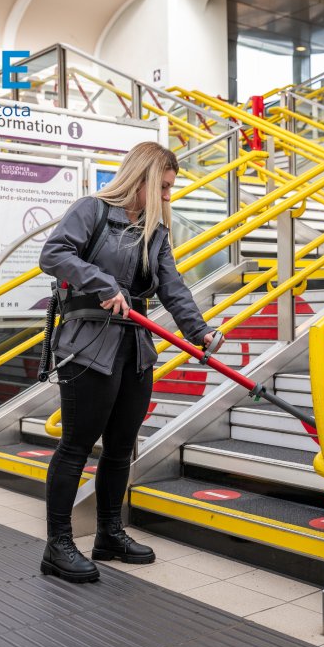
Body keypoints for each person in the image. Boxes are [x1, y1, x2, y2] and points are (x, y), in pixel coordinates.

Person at [38, 141, 220, 583]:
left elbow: (172, 287)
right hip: (88, 346)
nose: (168, 196)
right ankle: (57, 545)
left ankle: (109, 534)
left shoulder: (156, 232)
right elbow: (54, 254)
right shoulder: (93, 210)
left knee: (121, 447)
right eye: (163, 187)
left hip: (135, 348)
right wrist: (102, 283)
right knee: (77, 445)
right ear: (141, 179)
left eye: (171, 188)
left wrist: (199, 331)